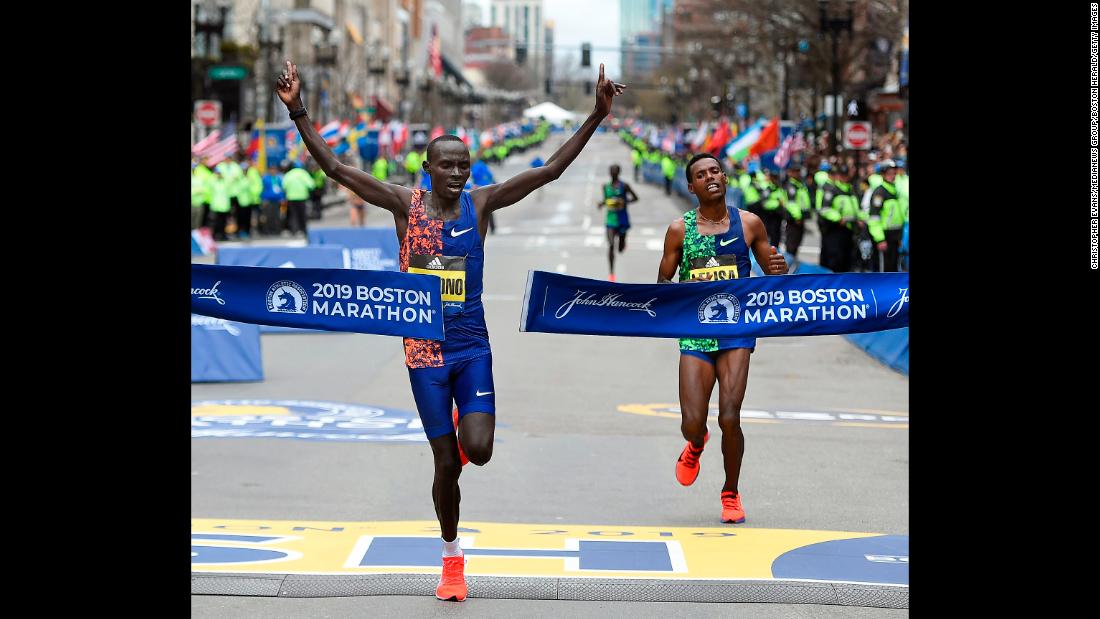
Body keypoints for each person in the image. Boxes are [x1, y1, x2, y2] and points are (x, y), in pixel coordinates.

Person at [276, 59, 624, 602]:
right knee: (446, 465)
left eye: (465, 164)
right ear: (427, 168)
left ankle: (467, 424)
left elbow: (550, 170)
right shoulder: (403, 205)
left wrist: (597, 116)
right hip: (424, 352)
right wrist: (298, 110)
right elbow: (339, 170)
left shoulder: (481, 204)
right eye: (448, 165)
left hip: (470, 346)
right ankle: (452, 556)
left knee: (478, 450)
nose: (459, 173)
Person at [656, 152, 788, 525]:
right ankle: (696, 444)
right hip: (696, 334)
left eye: (715, 170)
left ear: (724, 179)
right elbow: (663, 283)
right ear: (691, 186)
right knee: (691, 422)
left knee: (730, 417)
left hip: (736, 332)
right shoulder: (680, 230)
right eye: (701, 173)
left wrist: (781, 269)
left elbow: (774, 275)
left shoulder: (749, 224)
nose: (710, 176)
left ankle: (730, 492)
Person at [596, 164, 639, 281]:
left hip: (622, 219)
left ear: (618, 173)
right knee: (610, 245)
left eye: (615, 171)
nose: (613, 173)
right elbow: (606, 200)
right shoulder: (605, 187)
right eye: (612, 171)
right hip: (610, 220)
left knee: (619, 249)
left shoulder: (624, 186)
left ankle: (623, 241)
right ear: (609, 173)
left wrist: (625, 202)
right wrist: (601, 203)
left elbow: (636, 198)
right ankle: (611, 272)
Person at [865, 160, 906, 271]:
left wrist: (900, 236)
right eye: (889, 173)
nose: (892, 176)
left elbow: (898, 216)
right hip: (884, 237)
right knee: (884, 270)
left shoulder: (895, 191)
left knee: (893, 268)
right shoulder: (880, 192)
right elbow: (874, 218)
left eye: (894, 173)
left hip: (895, 236)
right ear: (883, 174)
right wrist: (880, 239)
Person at [783, 165, 811, 264]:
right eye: (794, 171)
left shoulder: (799, 185)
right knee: (791, 246)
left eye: (798, 171)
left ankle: (791, 265)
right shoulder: (791, 186)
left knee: (796, 245)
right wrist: (798, 217)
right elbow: (791, 204)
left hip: (800, 219)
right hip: (794, 220)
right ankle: (788, 268)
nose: (797, 173)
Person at [282, 162, 315, 237]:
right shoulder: (303, 173)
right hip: (302, 197)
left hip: (291, 197)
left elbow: (284, 186)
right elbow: (311, 185)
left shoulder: (289, 174)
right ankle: (303, 230)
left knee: (293, 214)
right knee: (302, 215)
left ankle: (293, 230)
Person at [259, 164, 285, 236]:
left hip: (277, 200)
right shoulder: (265, 178)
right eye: (271, 169)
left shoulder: (279, 178)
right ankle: (268, 230)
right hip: (268, 200)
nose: (273, 171)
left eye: (274, 169)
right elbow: (262, 189)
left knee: (277, 216)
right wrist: (263, 198)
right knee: (268, 215)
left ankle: (277, 230)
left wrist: (282, 198)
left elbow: (281, 189)